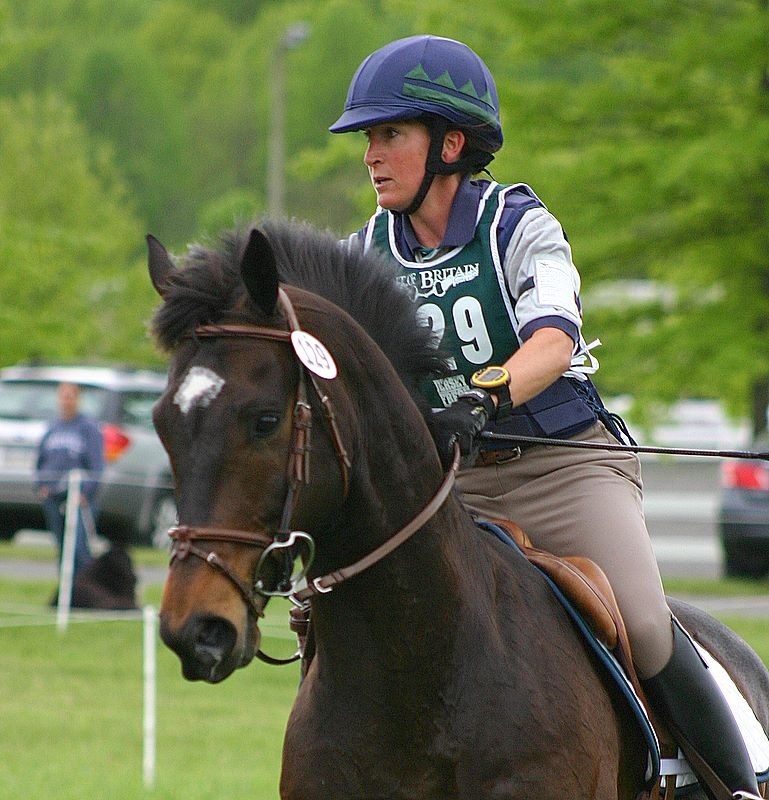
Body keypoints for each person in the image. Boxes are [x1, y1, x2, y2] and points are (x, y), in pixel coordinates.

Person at [329, 34, 762, 800]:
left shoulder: (518, 225)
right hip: (448, 486)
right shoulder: (362, 254)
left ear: (450, 144)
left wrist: (482, 396)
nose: (371, 155)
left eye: (389, 133)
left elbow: (553, 340)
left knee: (644, 623)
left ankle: (734, 786)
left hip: (561, 467)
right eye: (368, 137)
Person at [36, 382, 104, 579]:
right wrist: (41, 485)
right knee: (62, 547)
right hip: (53, 496)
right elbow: (40, 460)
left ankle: (85, 586)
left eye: (70, 396)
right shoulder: (52, 427)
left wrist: (86, 492)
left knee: (79, 548)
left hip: (79, 497)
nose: (66, 401)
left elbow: (97, 465)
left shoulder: (88, 428)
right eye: (63, 396)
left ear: (78, 399)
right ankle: (66, 587)